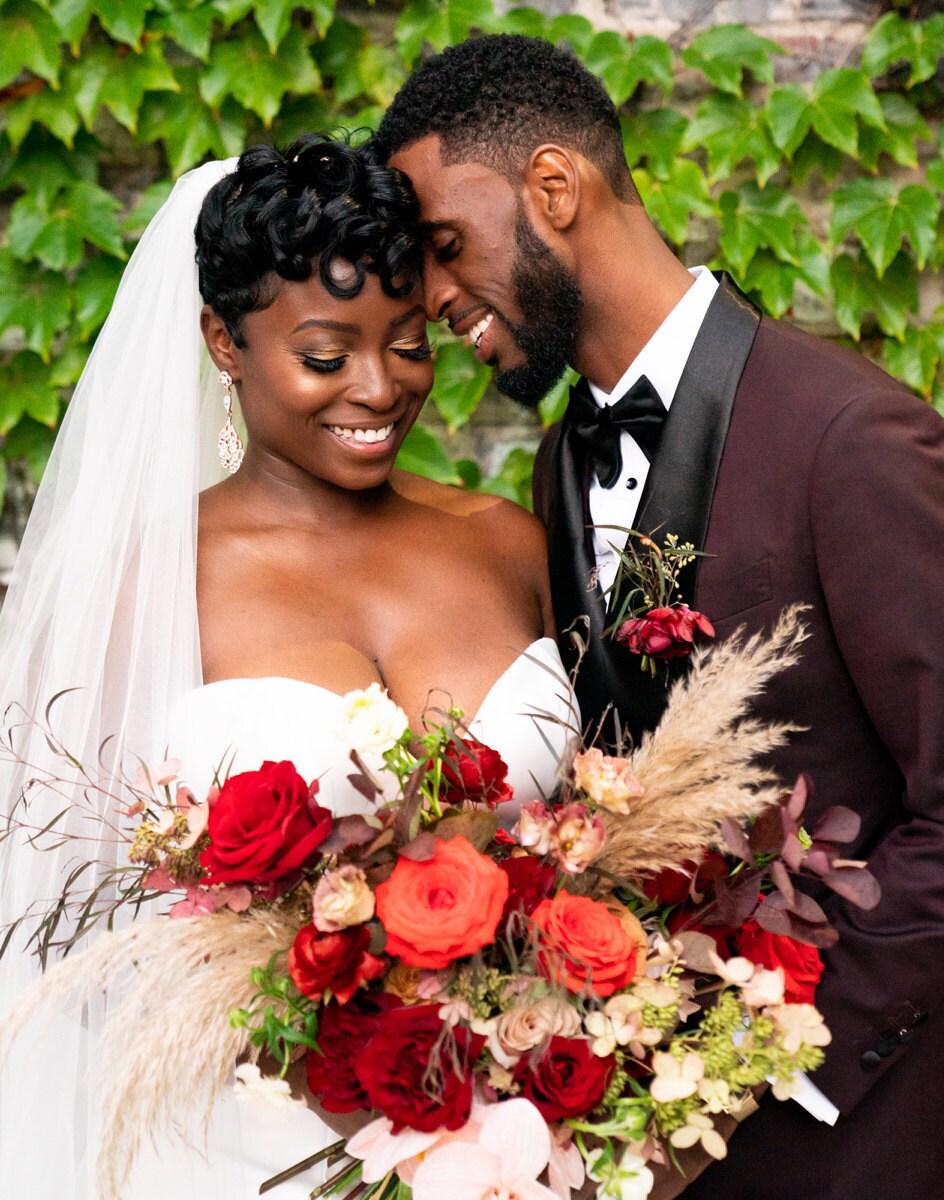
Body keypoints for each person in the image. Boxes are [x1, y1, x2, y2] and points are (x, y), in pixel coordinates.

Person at [374, 34, 944, 1200]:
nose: (435, 297)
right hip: (646, 1134)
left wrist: (762, 1064)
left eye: (445, 248)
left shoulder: (852, 440)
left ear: (553, 189)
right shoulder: (564, 455)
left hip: (858, 1123)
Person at [0, 134, 578, 1199]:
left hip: (520, 1147)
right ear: (223, 340)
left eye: (408, 344)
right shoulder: (142, 581)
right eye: (324, 355)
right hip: (240, 1152)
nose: (377, 389)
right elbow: (56, 922)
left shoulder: (509, 540)